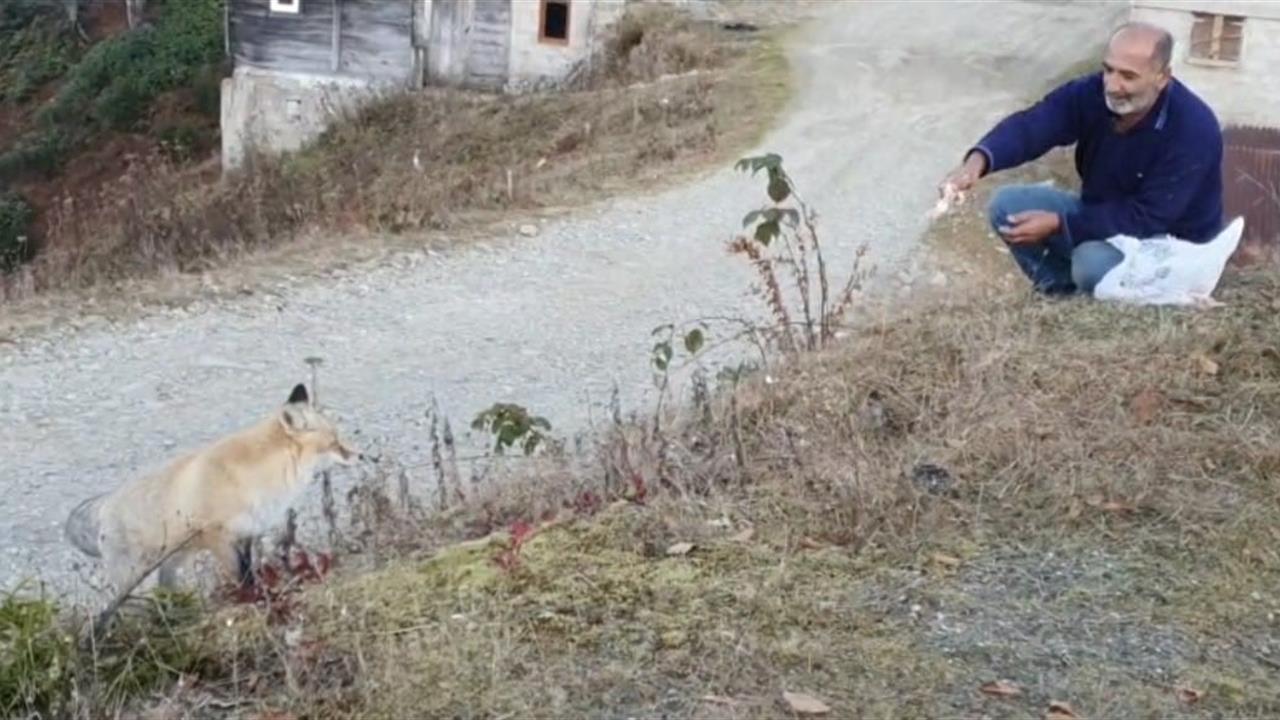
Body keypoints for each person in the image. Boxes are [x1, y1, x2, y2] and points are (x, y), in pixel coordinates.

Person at [939, 21, 1225, 296]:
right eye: (1108, 70)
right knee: (1007, 208)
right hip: (1103, 217)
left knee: (1090, 264)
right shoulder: (1092, 94)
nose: (1112, 85)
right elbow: (1035, 125)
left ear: (1162, 77)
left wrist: (1060, 224)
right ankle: (1061, 294)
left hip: (1170, 246)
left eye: (1128, 76)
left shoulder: (1193, 129)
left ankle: (1093, 291)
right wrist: (977, 162)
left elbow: (1147, 218)